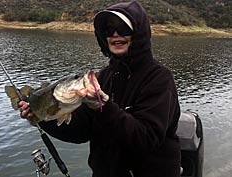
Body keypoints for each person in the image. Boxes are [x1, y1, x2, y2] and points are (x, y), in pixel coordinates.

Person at [19, 1, 181, 177]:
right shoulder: (103, 77)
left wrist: (103, 106)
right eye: (109, 29)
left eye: (123, 28)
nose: (115, 34)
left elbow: (146, 139)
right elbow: (81, 131)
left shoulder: (159, 79)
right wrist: (43, 117)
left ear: (139, 33)